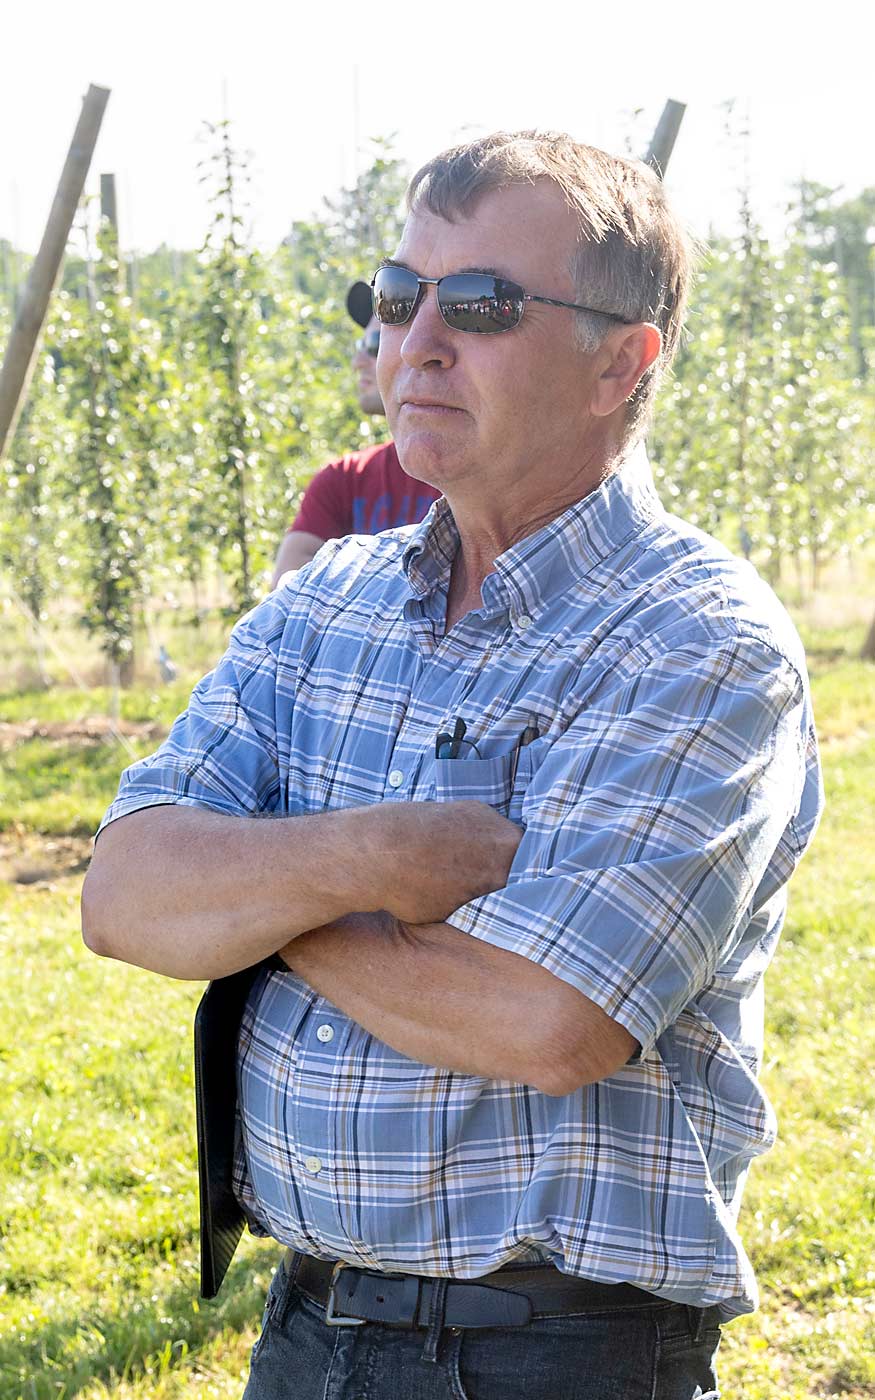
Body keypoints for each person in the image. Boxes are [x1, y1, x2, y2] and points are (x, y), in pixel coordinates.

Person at [82, 130, 823, 1400]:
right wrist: (369, 858)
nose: (412, 339)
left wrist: (259, 905)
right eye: (394, 293)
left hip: (553, 1353)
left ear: (617, 364)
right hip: (301, 1327)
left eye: (478, 305)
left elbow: (545, 1019)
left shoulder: (696, 639)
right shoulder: (330, 608)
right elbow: (124, 896)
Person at [270, 281, 439, 585]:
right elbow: (287, 592)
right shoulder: (344, 480)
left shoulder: (482, 479)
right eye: (359, 347)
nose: (358, 362)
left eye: (375, 345)